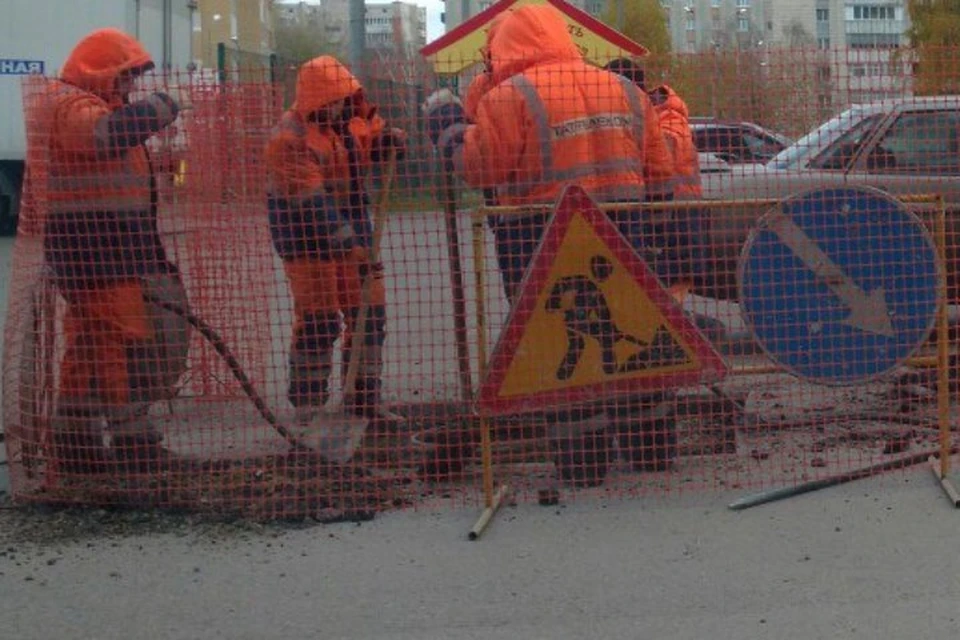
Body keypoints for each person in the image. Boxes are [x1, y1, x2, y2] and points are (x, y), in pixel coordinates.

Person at [424, 4, 676, 481]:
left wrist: (447, 127)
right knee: (639, 344)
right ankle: (653, 456)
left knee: (563, 350)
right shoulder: (624, 89)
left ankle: (584, 469)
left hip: (538, 241)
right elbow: (661, 178)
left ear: (501, 47)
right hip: (627, 238)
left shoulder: (507, 98)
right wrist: (654, 233)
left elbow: (480, 170)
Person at [35, 28, 193, 474]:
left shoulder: (92, 104)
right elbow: (105, 137)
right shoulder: (69, 105)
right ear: (99, 70)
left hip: (106, 250)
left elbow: (114, 163)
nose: (129, 87)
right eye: (124, 76)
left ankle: (75, 444)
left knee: (92, 344)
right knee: (117, 343)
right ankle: (132, 443)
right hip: (93, 251)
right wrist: (165, 106)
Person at [264, 55, 406, 428]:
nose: (339, 107)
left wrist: (387, 141)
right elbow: (311, 204)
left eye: (343, 99)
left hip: (350, 226)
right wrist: (350, 244)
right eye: (332, 101)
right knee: (320, 319)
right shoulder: (289, 139)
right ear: (315, 101)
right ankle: (308, 403)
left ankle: (363, 399)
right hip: (305, 240)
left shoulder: (347, 122)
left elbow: (371, 139)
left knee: (369, 316)